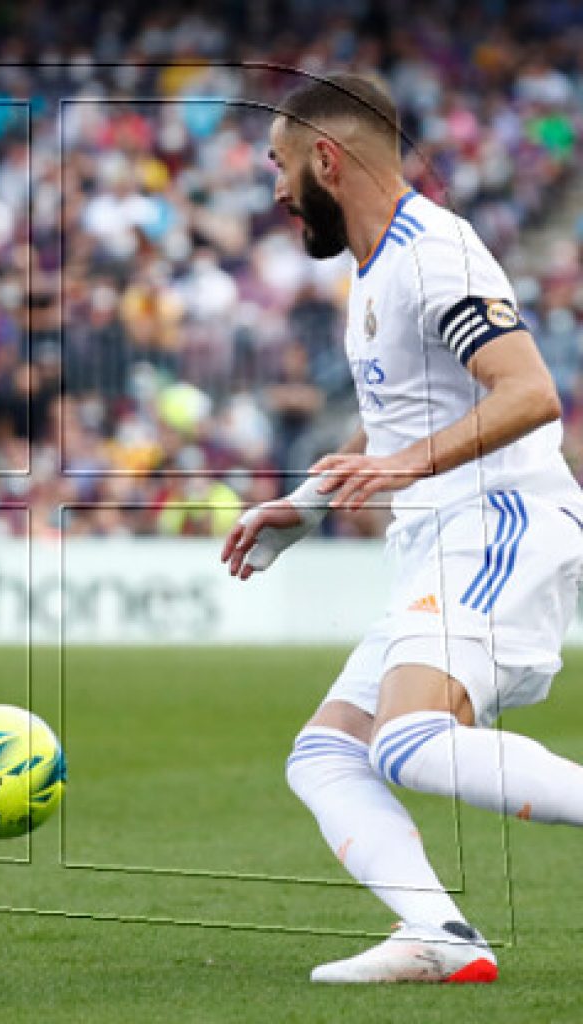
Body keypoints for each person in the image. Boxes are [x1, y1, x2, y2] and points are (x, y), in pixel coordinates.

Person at [221, 73, 583, 984]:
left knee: (408, 742)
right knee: (325, 754)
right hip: (439, 542)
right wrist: (305, 505)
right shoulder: (376, 268)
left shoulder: (435, 254)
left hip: (499, 523)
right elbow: (395, 424)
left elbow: (532, 393)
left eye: (279, 162)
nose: (273, 187)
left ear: (327, 160)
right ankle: (437, 936)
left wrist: (407, 466)